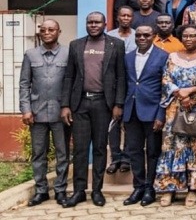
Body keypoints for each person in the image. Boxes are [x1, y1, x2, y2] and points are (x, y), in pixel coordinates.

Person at [60, 12, 126, 208]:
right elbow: (69, 76)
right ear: (86, 24)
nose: (93, 25)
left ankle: (97, 190)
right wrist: (65, 105)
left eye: (97, 22)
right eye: (90, 22)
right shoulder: (76, 45)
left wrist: (118, 104)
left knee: (99, 148)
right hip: (79, 103)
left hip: (103, 104)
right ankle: (79, 191)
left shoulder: (116, 44)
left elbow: (121, 76)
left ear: (105, 24)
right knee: (80, 149)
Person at [154, 24, 196, 207]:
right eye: (186, 36)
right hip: (175, 109)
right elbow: (165, 79)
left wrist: (191, 91)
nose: (189, 39)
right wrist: (179, 93)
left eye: (193, 36)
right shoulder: (172, 56)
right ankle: (170, 189)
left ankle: (192, 189)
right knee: (173, 147)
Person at [19, 19, 70, 206]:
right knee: (38, 153)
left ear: (59, 32)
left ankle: (60, 190)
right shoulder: (30, 54)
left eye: (51, 30)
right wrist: (26, 109)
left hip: (60, 113)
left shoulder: (68, 53)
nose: (47, 33)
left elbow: (73, 82)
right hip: (37, 113)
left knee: (62, 154)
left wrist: (69, 107)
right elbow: (24, 84)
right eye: (43, 30)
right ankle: (41, 191)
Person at [122, 25, 169, 207]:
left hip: (152, 111)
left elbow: (166, 88)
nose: (142, 38)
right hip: (131, 110)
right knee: (134, 151)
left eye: (146, 35)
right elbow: (125, 84)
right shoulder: (128, 57)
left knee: (153, 152)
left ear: (153, 36)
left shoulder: (163, 56)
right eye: (139, 35)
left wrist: (161, 114)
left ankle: (150, 188)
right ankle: (139, 186)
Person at [106, 6, 136, 176]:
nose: (125, 18)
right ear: (117, 17)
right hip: (113, 84)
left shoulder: (138, 35)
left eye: (128, 16)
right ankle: (115, 158)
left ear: (132, 18)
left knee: (129, 123)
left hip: (131, 83)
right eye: (122, 15)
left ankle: (127, 158)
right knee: (114, 122)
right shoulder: (109, 36)